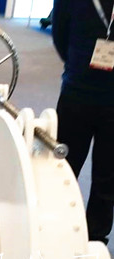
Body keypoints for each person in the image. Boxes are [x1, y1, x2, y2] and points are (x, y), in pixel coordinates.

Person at [53, 0, 114, 244]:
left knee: (108, 175)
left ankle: (96, 237)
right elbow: (60, 34)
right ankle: (57, 228)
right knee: (63, 167)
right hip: (77, 94)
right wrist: (77, 64)